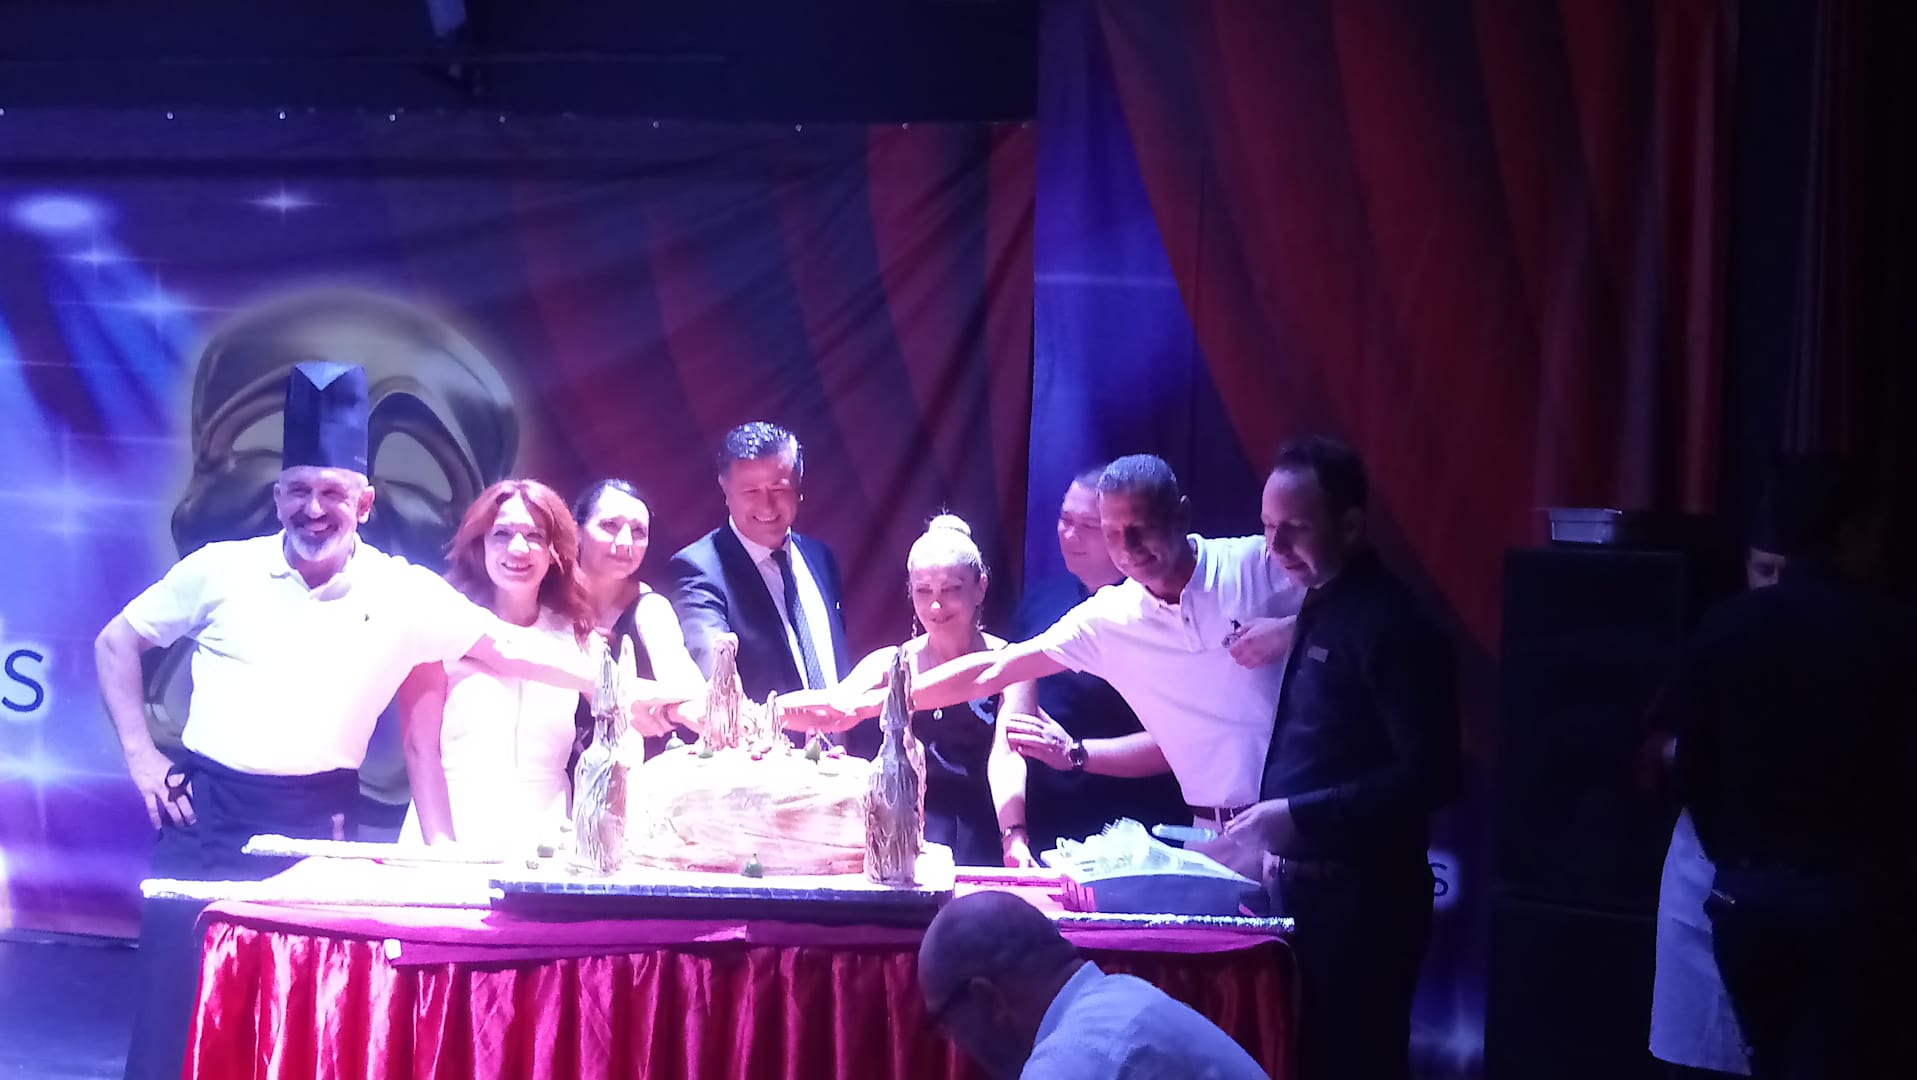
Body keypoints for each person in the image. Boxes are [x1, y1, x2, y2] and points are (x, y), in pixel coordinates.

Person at [92, 363, 621, 1080]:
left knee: (297, 1011)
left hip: (319, 826)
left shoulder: (405, 592)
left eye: (333, 493)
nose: (314, 509)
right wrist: (142, 758)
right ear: (277, 497)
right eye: (299, 491)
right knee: (175, 1006)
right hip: (206, 815)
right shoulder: (219, 570)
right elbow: (117, 643)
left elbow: (508, 649)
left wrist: (621, 688)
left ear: (365, 502)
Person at [796, 455, 1304, 835]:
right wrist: (870, 706)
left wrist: (1294, 629)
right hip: (1208, 828)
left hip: (1292, 815)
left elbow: (1346, 594)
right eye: (1113, 533)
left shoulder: (1258, 563)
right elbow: (993, 670)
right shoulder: (1109, 614)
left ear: (1180, 517)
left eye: (1139, 530)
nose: (1128, 549)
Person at [1195, 436, 1460, 1080]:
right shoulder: (1321, 603)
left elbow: (1433, 774)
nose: (1275, 547)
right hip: (1307, 894)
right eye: (1267, 527)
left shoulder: (1393, 624)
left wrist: (1298, 815)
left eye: (1296, 528)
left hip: (1364, 905)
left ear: (1350, 525)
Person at [1669, 458, 1916, 1079]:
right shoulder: (1892, 631)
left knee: (1768, 1056)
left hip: (1746, 896)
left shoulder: (1726, 625)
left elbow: (1692, 759)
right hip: (1852, 899)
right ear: (1851, 530)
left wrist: (1731, 857)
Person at [397, 480, 685, 850]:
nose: (518, 548)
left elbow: (627, 720)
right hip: (450, 825)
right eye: (502, 534)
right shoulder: (442, 622)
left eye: (534, 536)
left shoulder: (578, 633)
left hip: (549, 834)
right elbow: (420, 748)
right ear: (480, 544)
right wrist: (441, 845)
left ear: (554, 551)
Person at [1645, 533, 1784, 1078]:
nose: (1775, 587)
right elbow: (1653, 740)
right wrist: (1676, 753)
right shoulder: (1723, 634)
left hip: (1794, 893)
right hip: (1705, 879)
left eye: (1787, 572)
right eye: (1764, 571)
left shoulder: (1853, 643)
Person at [1002, 466, 1190, 855]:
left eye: (1088, 526)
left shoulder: (1162, 607)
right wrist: (1014, 832)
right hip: (1050, 830)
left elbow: (1184, 744)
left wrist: (1074, 752)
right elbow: (1010, 726)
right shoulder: (1040, 602)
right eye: (1065, 519)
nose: (1070, 535)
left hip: (1139, 832)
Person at [833, 515, 1039, 867]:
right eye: (923, 591)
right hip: (901, 832)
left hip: (983, 829)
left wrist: (1014, 837)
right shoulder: (891, 663)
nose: (936, 606)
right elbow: (835, 709)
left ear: (981, 587)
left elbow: (1006, 758)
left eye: (951, 589)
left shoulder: (1012, 664)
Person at [669, 422, 872, 753]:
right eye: (751, 491)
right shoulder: (698, 570)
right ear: (724, 487)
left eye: (779, 488)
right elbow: (716, 675)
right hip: (760, 766)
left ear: (799, 486)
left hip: (842, 763)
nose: (767, 505)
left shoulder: (820, 557)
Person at [918, 890, 1268, 1080]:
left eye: (944, 1022)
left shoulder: (1074, 1059)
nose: (953, 1041)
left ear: (987, 999)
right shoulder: (1122, 997)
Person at [572, 479, 705, 754]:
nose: (625, 542)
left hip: (635, 771)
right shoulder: (546, 601)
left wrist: (694, 706)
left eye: (638, 532)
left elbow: (685, 681)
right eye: (610, 525)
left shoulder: (651, 609)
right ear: (577, 532)